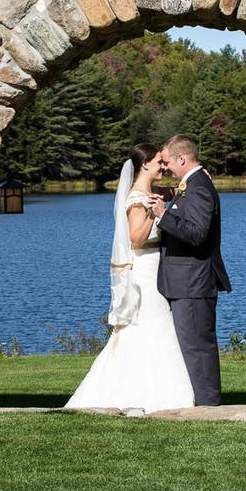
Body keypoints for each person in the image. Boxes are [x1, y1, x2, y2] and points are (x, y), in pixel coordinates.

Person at [64, 143, 194, 413]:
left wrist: (187, 185)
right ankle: (151, 393)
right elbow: (135, 239)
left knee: (155, 323)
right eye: (159, 161)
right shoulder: (138, 198)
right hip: (144, 267)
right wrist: (153, 212)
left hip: (155, 264)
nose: (163, 165)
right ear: (145, 164)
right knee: (150, 322)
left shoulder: (151, 192)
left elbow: (175, 191)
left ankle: (159, 388)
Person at [150, 134, 231, 406]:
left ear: (182, 158)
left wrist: (164, 215)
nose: (167, 168)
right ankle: (202, 399)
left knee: (198, 346)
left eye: (169, 162)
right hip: (187, 282)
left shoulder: (198, 188)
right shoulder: (193, 184)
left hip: (193, 282)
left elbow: (196, 234)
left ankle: (208, 404)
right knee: (192, 345)